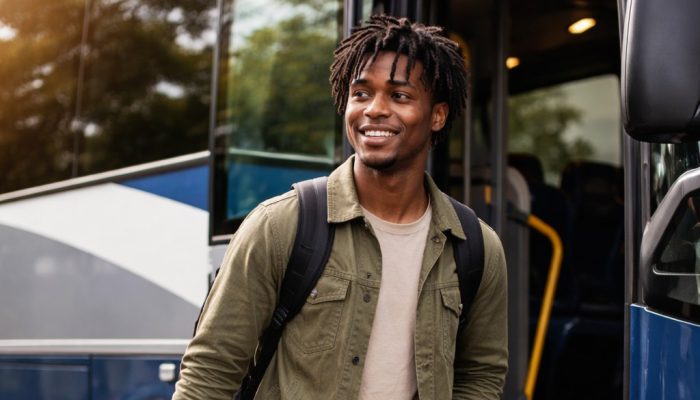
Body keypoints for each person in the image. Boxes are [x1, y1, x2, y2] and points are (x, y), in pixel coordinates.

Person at [173, 14, 507, 400]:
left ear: (438, 116)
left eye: (399, 96)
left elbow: (481, 376)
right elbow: (209, 373)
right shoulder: (281, 225)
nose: (374, 109)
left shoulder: (477, 248)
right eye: (362, 93)